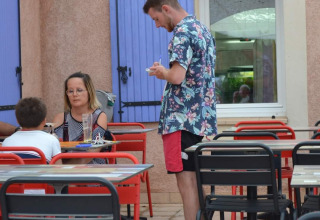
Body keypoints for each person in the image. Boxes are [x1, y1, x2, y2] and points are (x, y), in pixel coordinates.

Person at [143, 1, 218, 219]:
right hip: (199, 120)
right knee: (195, 180)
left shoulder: (182, 32)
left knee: (186, 182)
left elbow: (177, 76)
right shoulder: (202, 29)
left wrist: (161, 72)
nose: (157, 25)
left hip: (180, 119)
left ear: (166, 8)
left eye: (156, 19)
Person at [53, 72, 108, 164]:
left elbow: (91, 154)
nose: (75, 94)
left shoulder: (99, 117)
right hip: (63, 172)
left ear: (89, 92)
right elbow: (54, 150)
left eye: (79, 90)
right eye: (70, 91)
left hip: (94, 170)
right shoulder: (60, 118)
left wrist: (65, 169)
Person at [2, 97, 61, 164]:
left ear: (17, 121)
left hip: (13, 174)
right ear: (44, 121)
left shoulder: (6, 142)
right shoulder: (52, 140)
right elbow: (58, 168)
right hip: (40, 174)